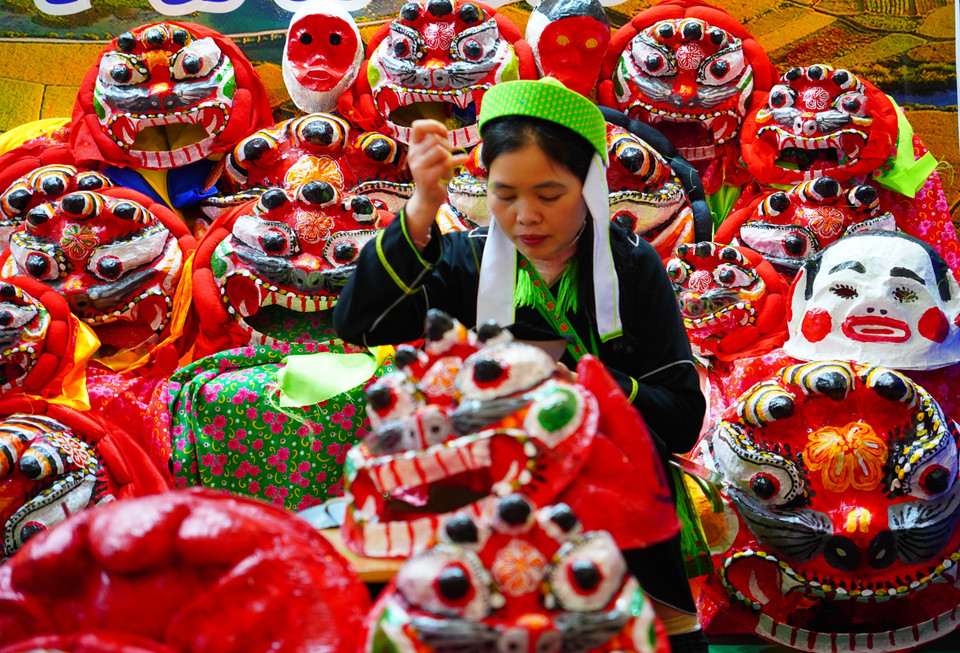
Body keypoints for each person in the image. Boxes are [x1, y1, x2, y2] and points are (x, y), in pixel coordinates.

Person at [333, 78, 708, 653]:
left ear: (590, 187)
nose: (525, 217)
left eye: (550, 195)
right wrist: (419, 212)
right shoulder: (462, 260)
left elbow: (682, 417)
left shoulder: (632, 269)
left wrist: (580, 387)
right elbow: (362, 325)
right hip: (484, 527)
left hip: (615, 532)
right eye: (504, 195)